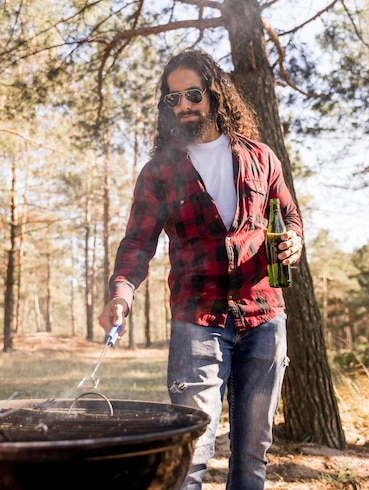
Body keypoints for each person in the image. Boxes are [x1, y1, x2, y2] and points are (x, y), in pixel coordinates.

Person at [98, 49, 303, 490]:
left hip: (265, 314)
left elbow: (290, 214)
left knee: (252, 457)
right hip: (198, 319)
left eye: (193, 93)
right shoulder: (159, 172)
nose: (185, 105)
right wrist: (121, 294)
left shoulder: (261, 157)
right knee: (189, 456)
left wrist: (294, 242)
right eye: (174, 99)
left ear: (215, 94)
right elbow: (137, 242)